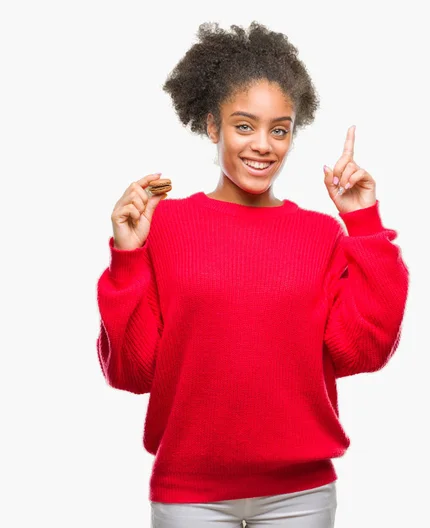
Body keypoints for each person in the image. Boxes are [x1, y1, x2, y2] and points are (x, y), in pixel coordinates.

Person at [96, 21, 409, 528]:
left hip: (300, 495)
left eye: (279, 129)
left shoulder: (319, 235)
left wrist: (363, 224)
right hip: (189, 493)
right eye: (244, 125)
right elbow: (132, 372)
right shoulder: (167, 225)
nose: (263, 145)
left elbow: (365, 350)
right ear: (212, 126)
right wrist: (129, 256)